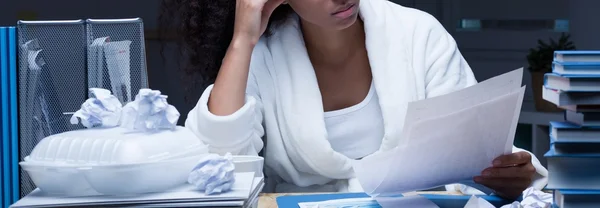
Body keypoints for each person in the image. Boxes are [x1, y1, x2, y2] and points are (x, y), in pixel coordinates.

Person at [160, 0, 548, 200]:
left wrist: (508, 177)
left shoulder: (418, 36)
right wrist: (243, 40)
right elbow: (218, 169)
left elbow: (470, 153)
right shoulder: (263, 59)